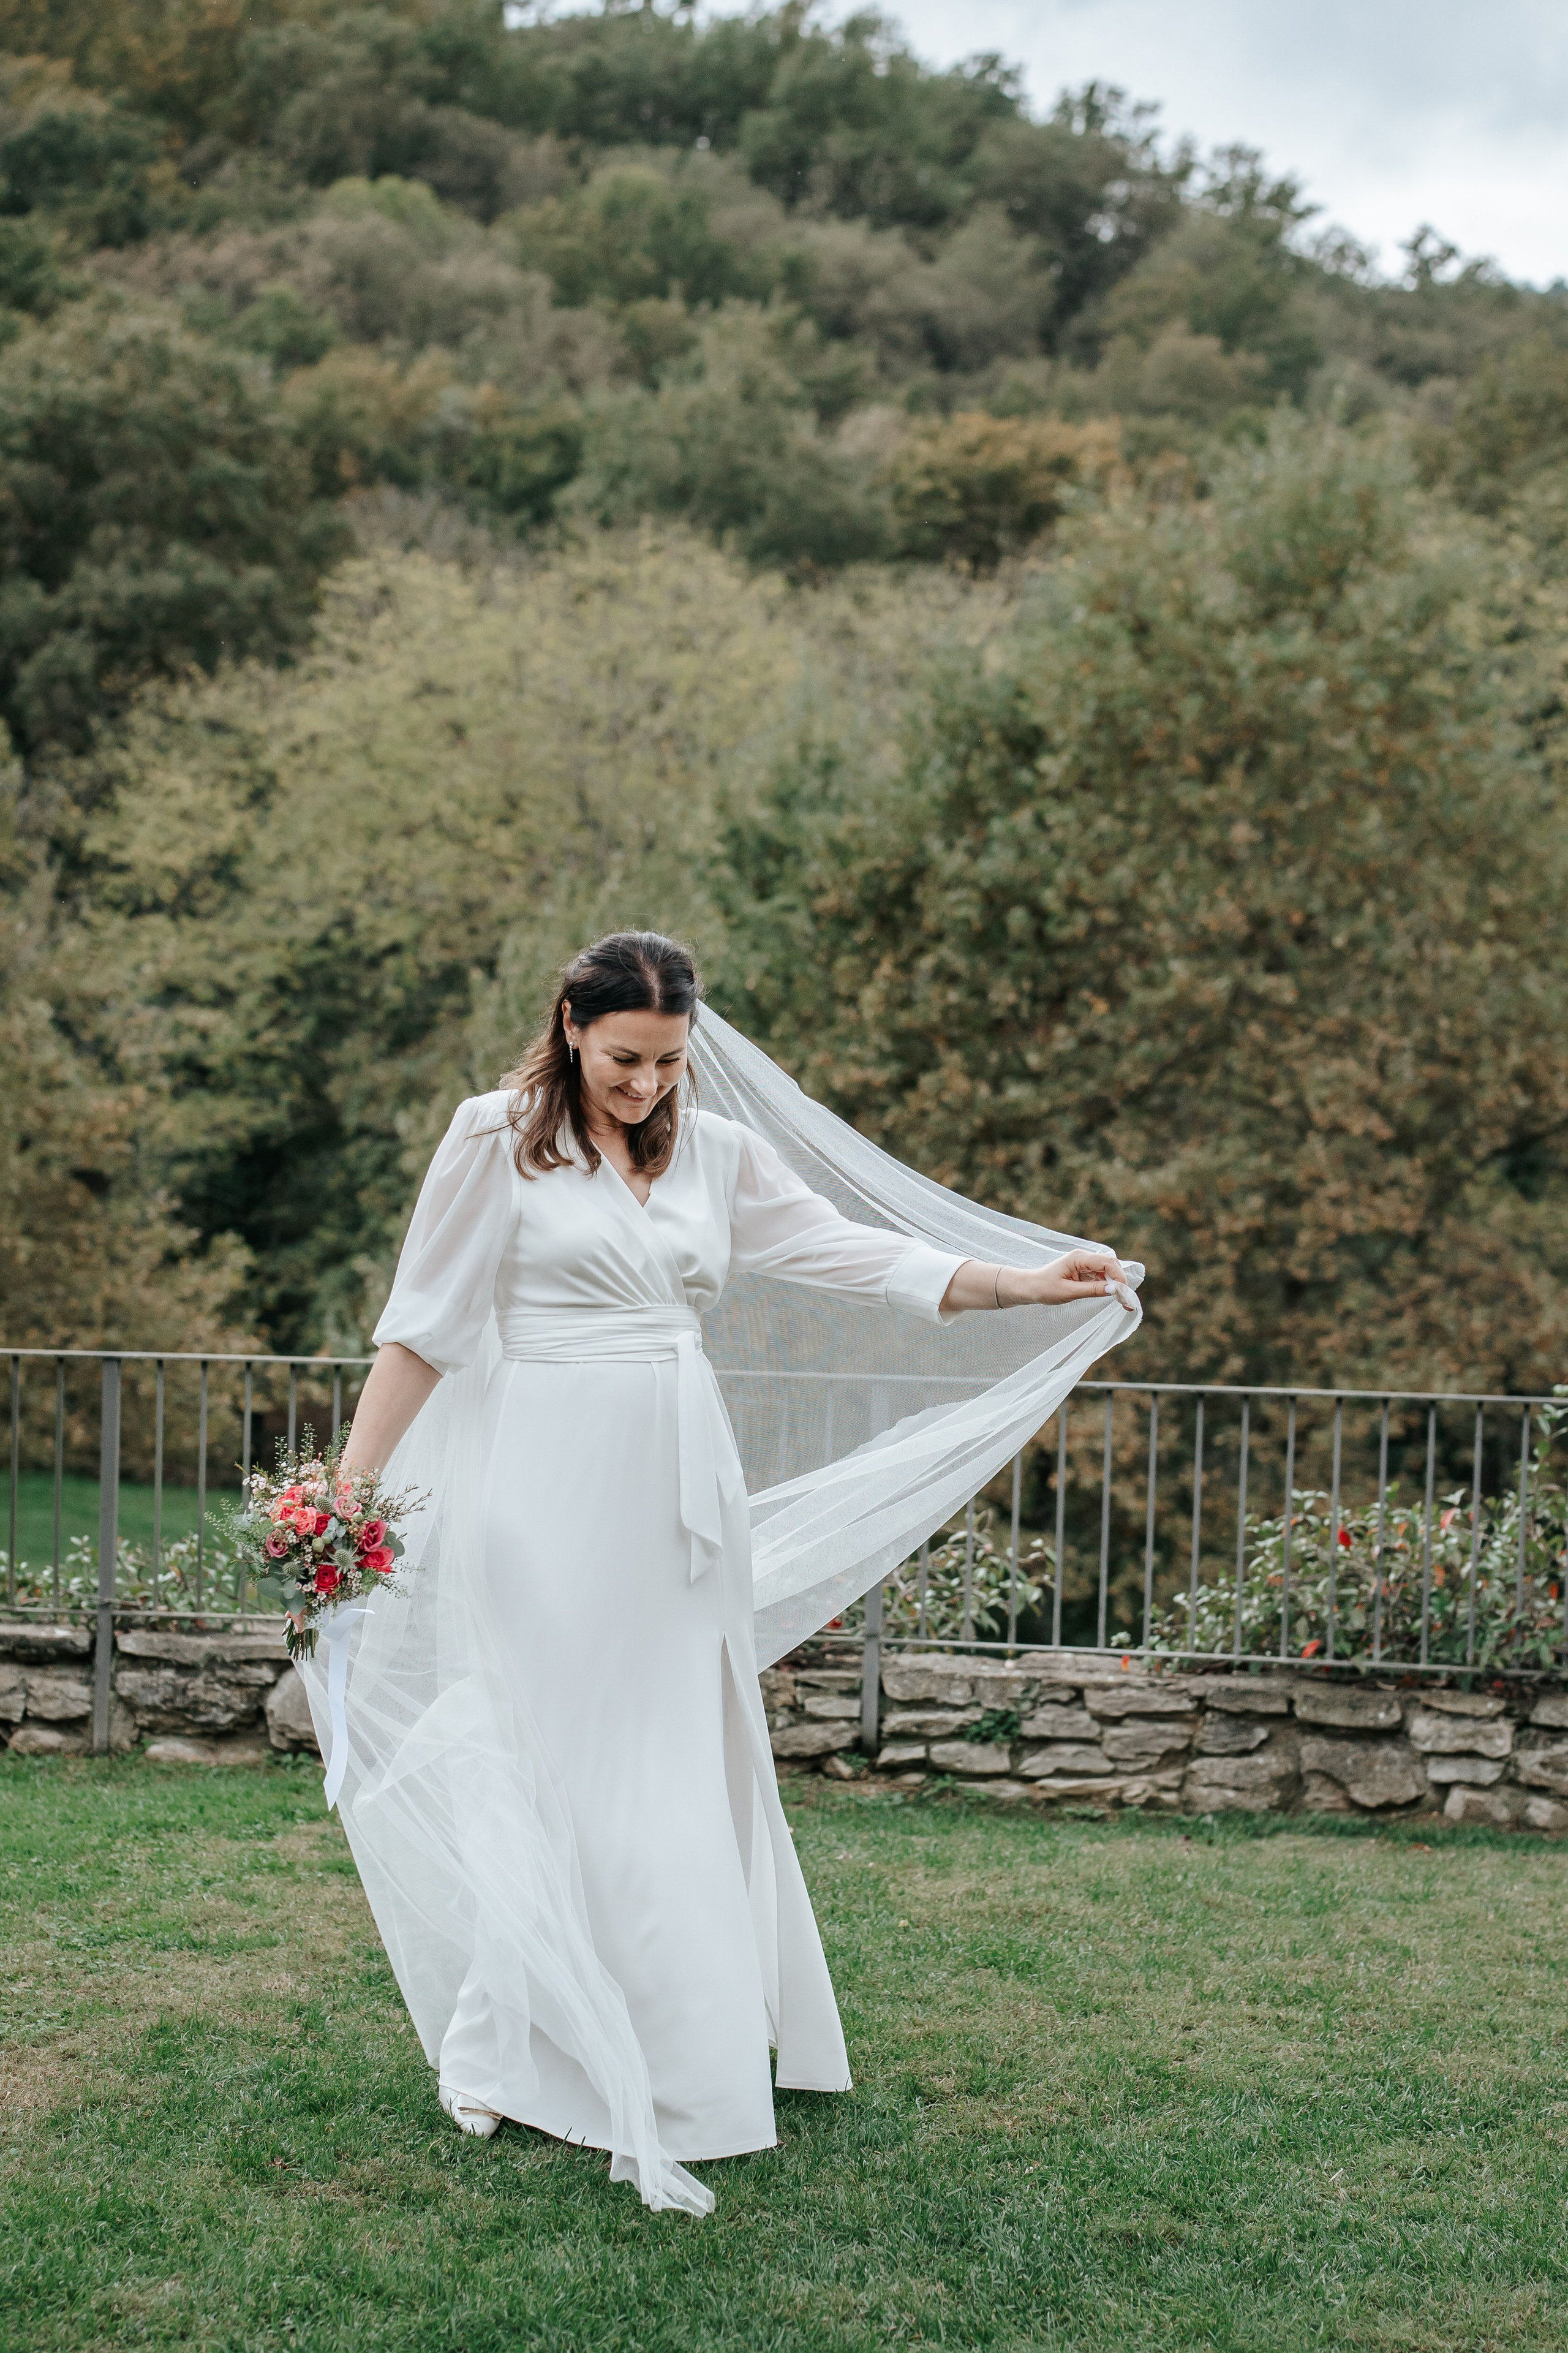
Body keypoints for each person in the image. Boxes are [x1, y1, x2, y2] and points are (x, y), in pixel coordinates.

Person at [317, 930, 1137, 2214]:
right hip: (542, 1484)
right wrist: (347, 1489)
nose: (644, 1084)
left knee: (670, 1757)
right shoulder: (495, 1138)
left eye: (666, 1060)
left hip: (677, 1491)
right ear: (571, 1030)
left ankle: (680, 2060)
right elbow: (421, 1326)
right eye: (622, 1058)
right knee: (556, 1750)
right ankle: (507, 2037)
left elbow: (853, 1254)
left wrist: (1022, 1284)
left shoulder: (715, 1152)